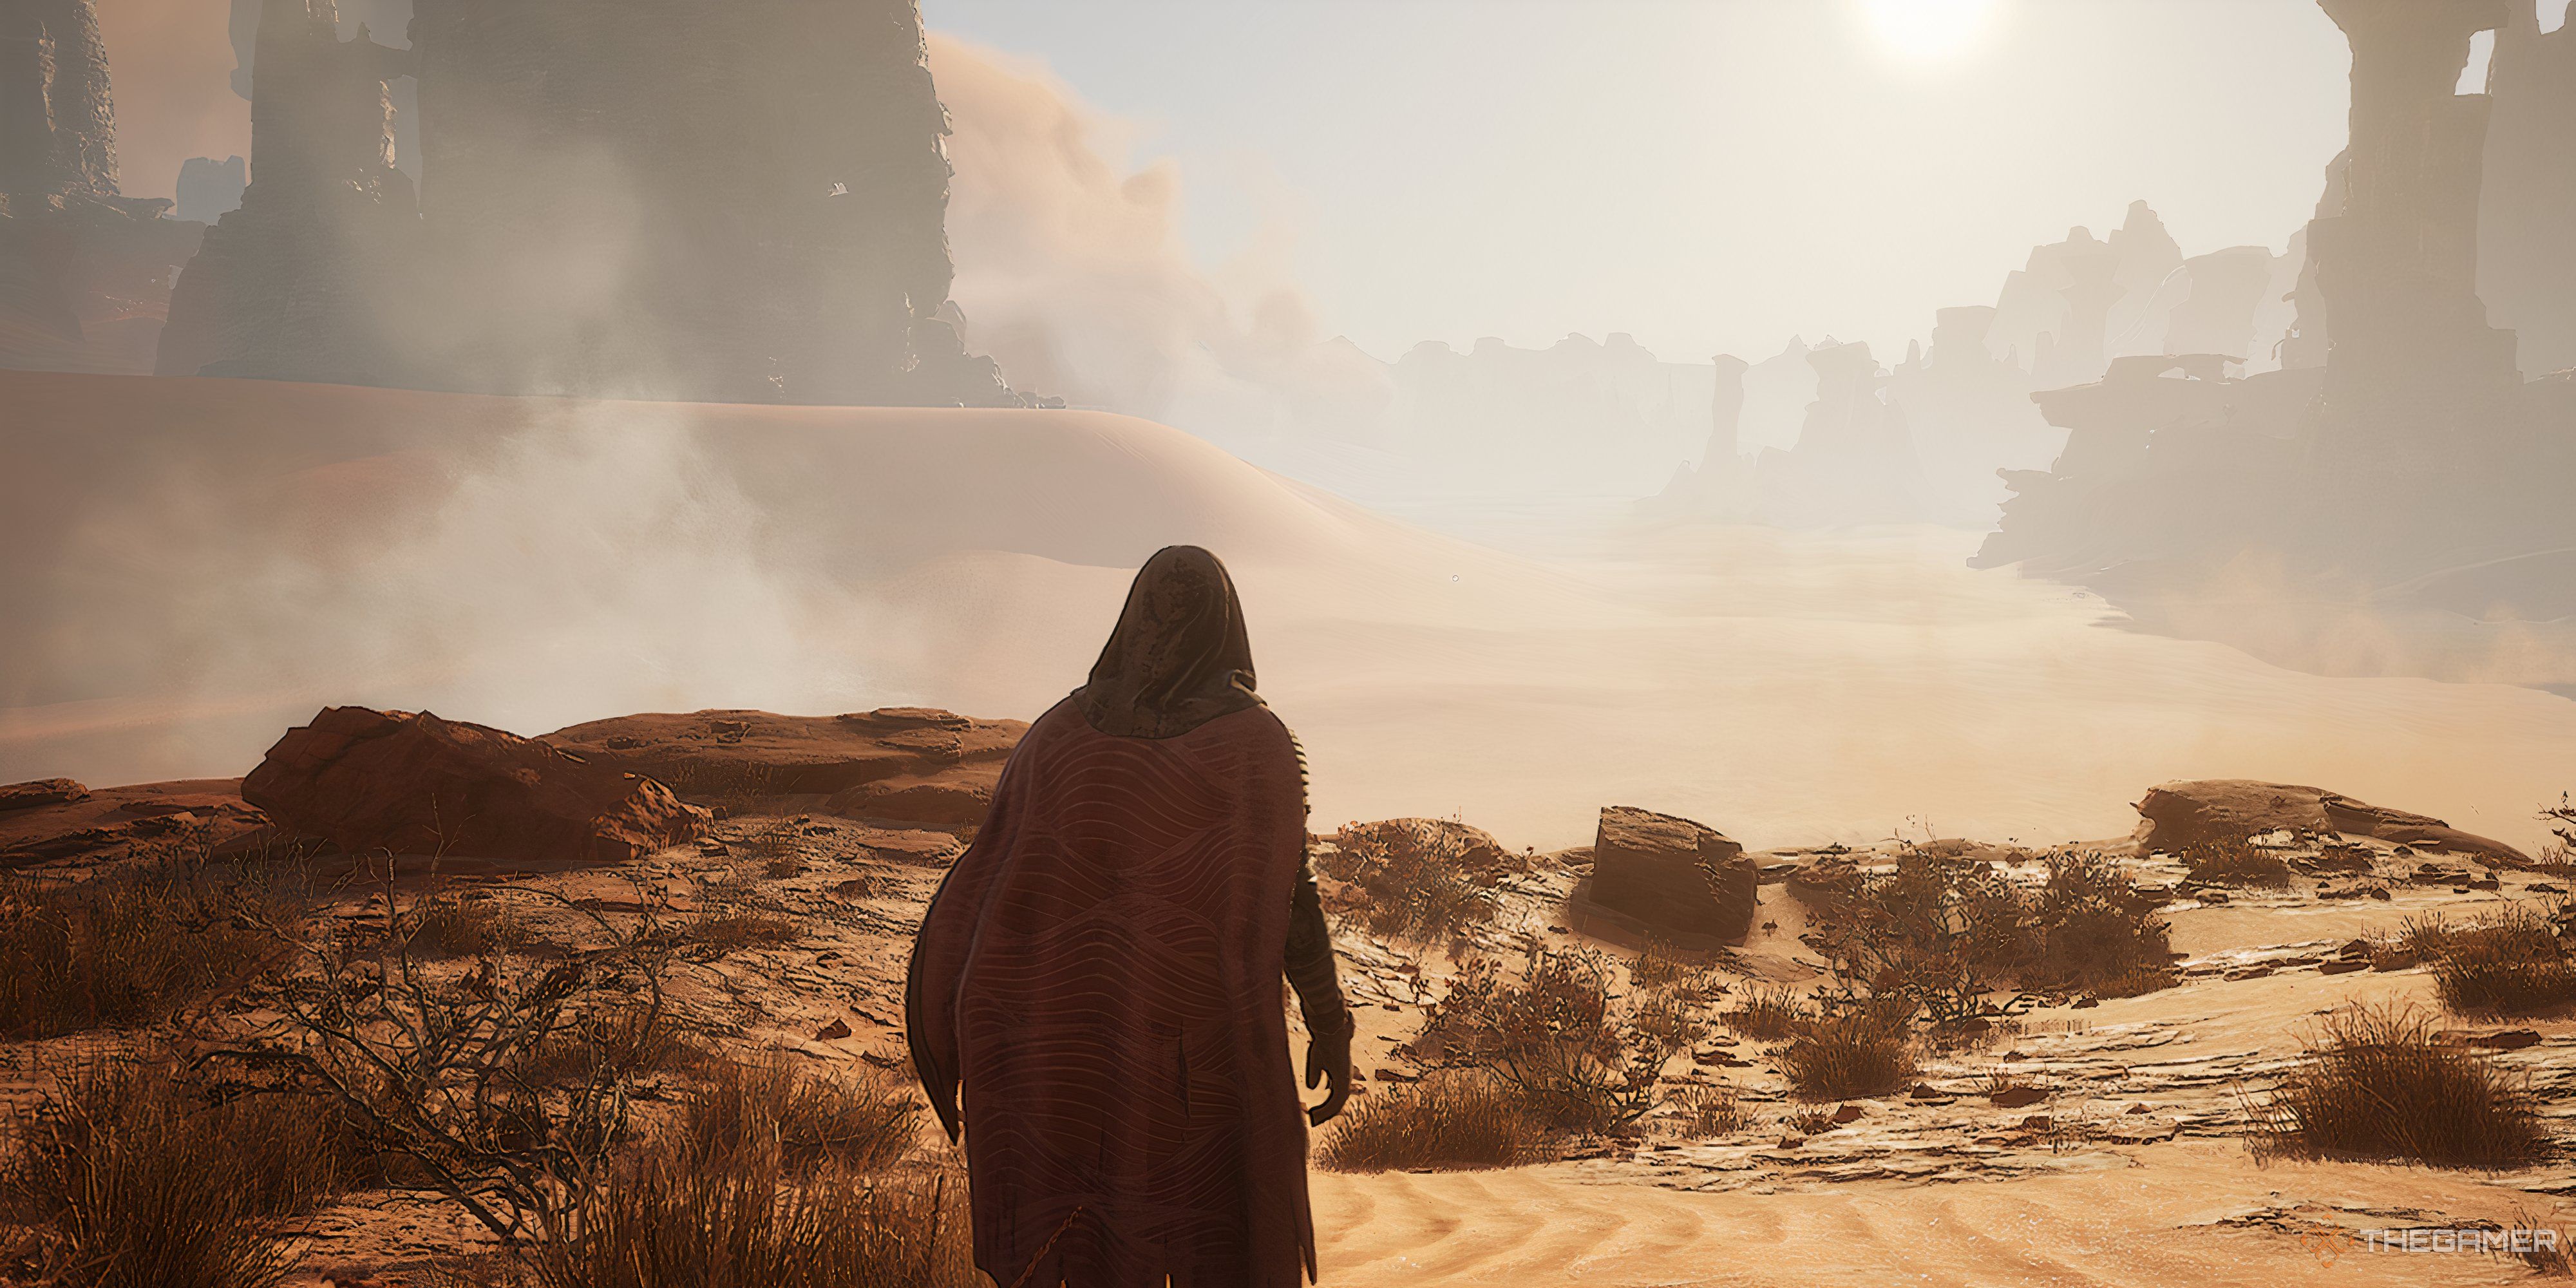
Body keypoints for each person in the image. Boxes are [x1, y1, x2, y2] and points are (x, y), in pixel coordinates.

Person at [906, 544, 1354, 1288]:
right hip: (1194, 1063)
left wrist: (958, 1024)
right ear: (1224, 624)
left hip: (1053, 1049)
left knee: (1072, 1244)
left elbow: (983, 885)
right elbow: (1291, 897)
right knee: (1206, 1234)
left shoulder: (1054, 735)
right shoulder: (1254, 743)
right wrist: (1330, 1023)